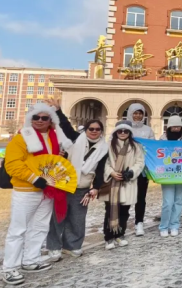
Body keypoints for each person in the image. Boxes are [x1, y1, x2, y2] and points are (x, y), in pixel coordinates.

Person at [1, 103, 74, 285]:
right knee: (18, 230)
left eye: (44, 118)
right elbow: (13, 164)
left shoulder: (55, 137)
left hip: (47, 190)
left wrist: (60, 159)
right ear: (30, 119)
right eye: (36, 117)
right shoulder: (21, 138)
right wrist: (34, 178)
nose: (39, 121)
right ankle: (10, 268)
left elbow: (53, 162)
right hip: (26, 191)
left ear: (51, 120)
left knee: (40, 227)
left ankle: (31, 260)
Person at [46, 101, 108, 261]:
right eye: (91, 129)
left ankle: (72, 246)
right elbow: (66, 126)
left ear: (101, 131)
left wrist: (96, 188)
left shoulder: (104, 149)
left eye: (97, 129)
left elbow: (100, 171)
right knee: (58, 217)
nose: (94, 131)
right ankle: (54, 247)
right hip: (64, 184)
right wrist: (58, 111)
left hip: (82, 188)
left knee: (77, 219)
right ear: (86, 130)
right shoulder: (77, 139)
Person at [99, 120, 145, 250]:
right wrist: (111, 172)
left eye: (125, 131)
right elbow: (104, 163)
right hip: (112, 183)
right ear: (116, 132)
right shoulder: (108, 146)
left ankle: (120, 234)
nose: (123, 133)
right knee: (110, 211)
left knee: (124, 211)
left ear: (129, 132)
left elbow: (140, 162)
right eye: (120, 130)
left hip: (127, 183)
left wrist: (131, 172)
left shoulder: (136, 146)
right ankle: (109, 237)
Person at [125, 103, 155, 237]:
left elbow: (152, 147)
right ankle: (122, 222)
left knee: (140, 197)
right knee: (125, 196)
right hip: (127, 167)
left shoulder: (148, 130)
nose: (138, 116)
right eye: (135, 113)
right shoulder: (125, 129)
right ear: (130, 113)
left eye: (140, 113)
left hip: (142, 168)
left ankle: (139, 222)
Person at [158, 115, 182, 237]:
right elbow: (158, 154)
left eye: (178, 126)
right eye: (174, 126)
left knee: (178, 201)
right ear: (169, 127)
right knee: (168, 202)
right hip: (167, 174)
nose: (176, 128)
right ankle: (163, 226)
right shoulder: (163, 139)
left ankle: (174, 225)